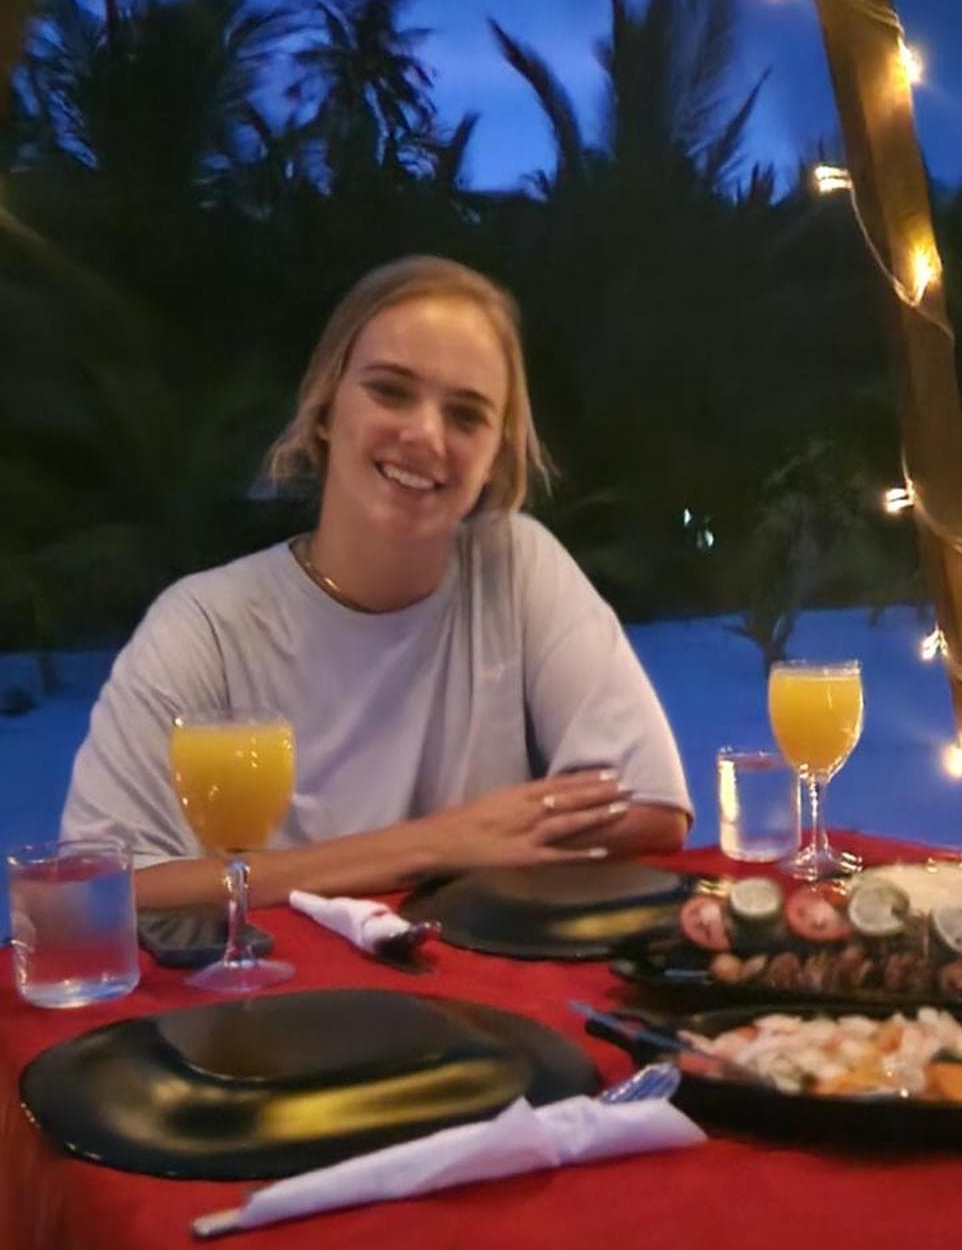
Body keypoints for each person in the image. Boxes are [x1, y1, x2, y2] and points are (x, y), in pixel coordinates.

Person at [63, 255, 691, 909]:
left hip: (460, 975)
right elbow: (87, 893)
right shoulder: (206, 626)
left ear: (493, 458)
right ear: (325, 408)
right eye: (390, 391)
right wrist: (432, 845)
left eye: (466, 416)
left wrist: (450, 846)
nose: (425, 434)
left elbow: (649, 807)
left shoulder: (514, 565)